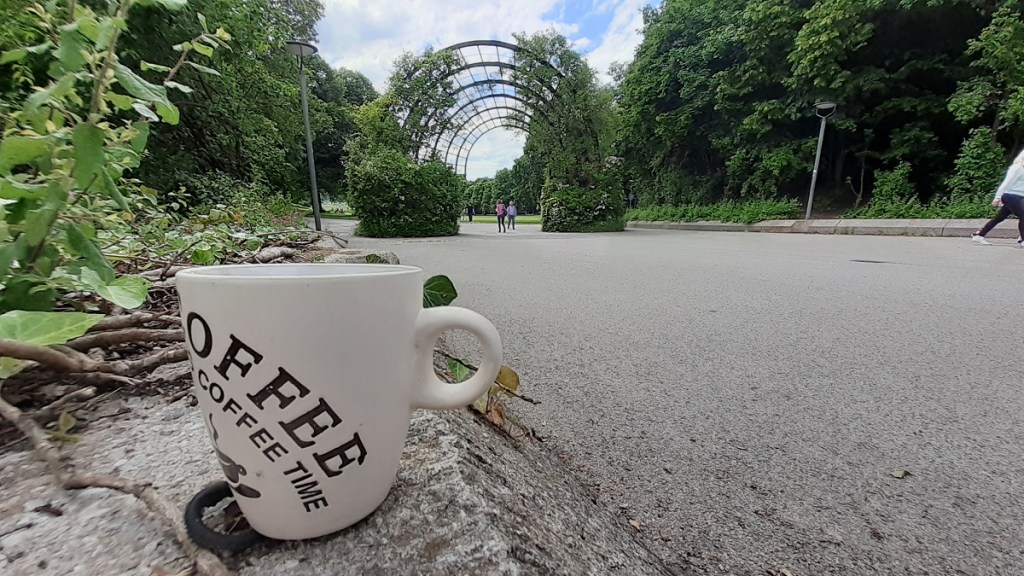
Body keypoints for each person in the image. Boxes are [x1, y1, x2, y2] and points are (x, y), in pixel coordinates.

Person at [972, 147, 1024, 246]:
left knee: (999, 218)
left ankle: (979, 236)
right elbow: (1006, 183)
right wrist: (997, 197)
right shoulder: (1017, 168)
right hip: (1011, 196)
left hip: (1020, 197)